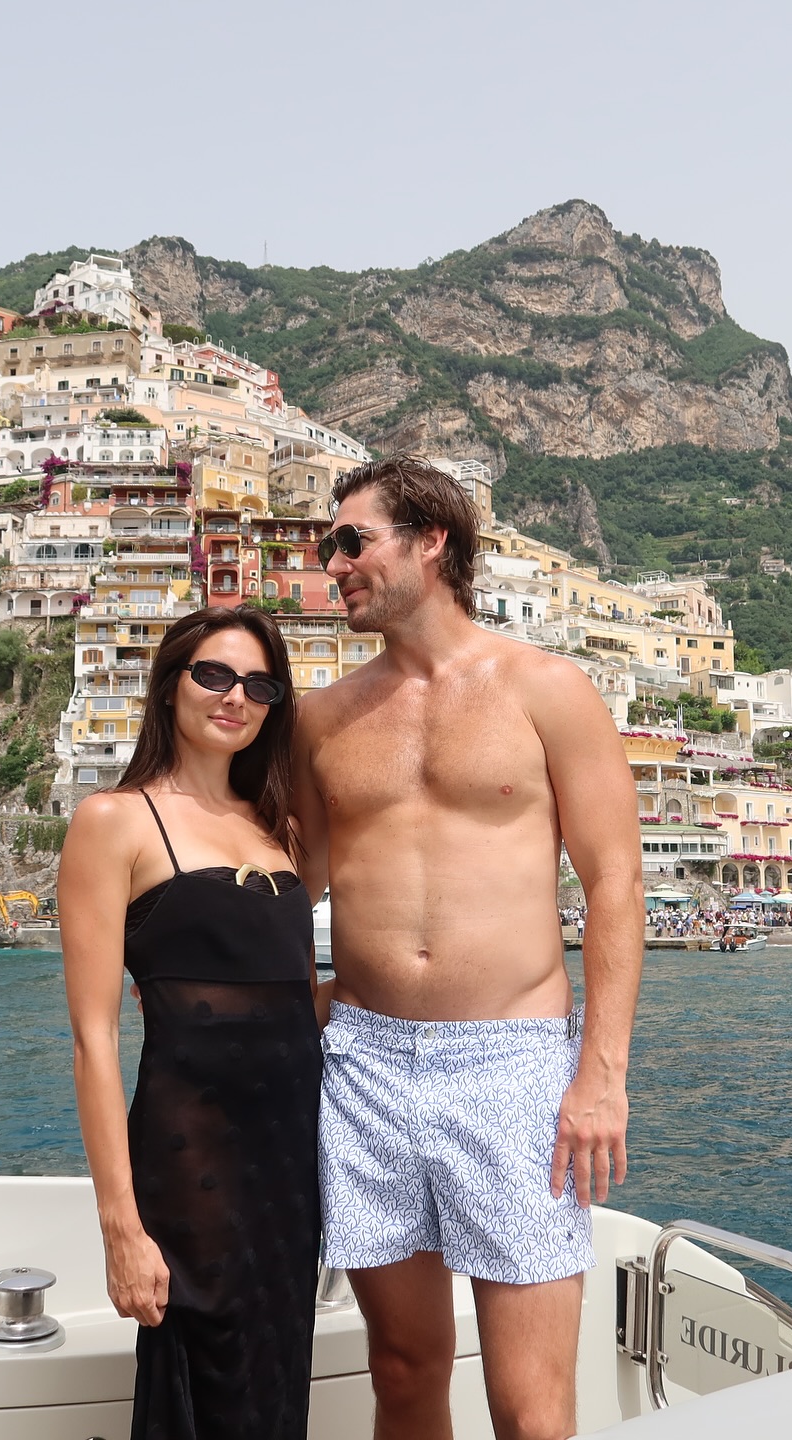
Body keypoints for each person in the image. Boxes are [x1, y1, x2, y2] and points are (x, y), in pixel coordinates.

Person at [293, 455, 644, 1440]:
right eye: (329, 549)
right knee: (403, 1370)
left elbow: (615, 884)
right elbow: (291, 893)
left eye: (353, 541)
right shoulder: (322, 721)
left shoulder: (547, 690)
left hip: (512, 1066)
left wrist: (600, 1078)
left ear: (432, 539)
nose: (336, 566)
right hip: (361, 1068)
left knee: (530, 1412)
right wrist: (215, 986)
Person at [59, 607, 321, 1440]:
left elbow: (287, 1002)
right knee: (208, 1390)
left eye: (258, 684)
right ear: (171, 682)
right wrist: (121, 1229)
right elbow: (94, 1039)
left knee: (276, 1385)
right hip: (191, 1159)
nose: (234, 696)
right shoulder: (115, 822)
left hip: (289, 1164)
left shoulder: (281, 830)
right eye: (213, 674)